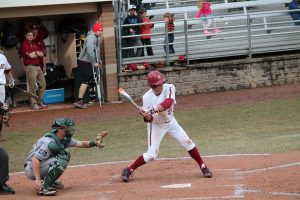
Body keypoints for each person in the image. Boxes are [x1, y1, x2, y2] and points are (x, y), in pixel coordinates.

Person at [120, 70, 213, 182]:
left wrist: (151, 108)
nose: (160, 85)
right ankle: (129, 170)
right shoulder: (147, 98)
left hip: (171, 122)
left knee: (187, 141)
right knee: (151, 155)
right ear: (152, 86)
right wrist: (145, 115)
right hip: (156, 126)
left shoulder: (169, 87)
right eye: (157, 84)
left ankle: (203, 166)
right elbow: (149, 119)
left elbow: (168, 102)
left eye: (161, 82)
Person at [24, 118, 108, 196]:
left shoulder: (63, 138)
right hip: (32, 168)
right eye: (67, 128)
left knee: (63, 155)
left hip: (42, 165)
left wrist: (95, 144)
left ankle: (49, 181)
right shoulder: (49, 142)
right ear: (59, 129)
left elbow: (81, 143)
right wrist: (38, 179)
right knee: (62, 157)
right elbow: (35, 159)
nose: (69, 129)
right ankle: (44, 188)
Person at [74, 22, 103, 109]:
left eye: (102, 30)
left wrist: (99, 59)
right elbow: (90, 51)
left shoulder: (96, 37)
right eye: (100, 30)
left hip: (87, 61)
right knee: (86, 80)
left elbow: (96, 50)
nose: (101, 32)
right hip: (85, 62)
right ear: (95, 30)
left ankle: (92, 98)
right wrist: (94, 62)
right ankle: (79, 100)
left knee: (91, 79)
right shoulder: (91, 38)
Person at [19, 29, 47, 110]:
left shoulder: (35, 43)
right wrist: (37, 53)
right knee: (32, 86)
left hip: (38, 66)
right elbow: (31, 56)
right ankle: (33, 103)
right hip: (30, 66)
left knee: (43, 84)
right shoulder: (24, 44)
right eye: (29, 35)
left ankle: (39, 101)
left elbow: (43, 53)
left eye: (31, 35)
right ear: (25, 36)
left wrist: (36, 53)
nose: (30, 36)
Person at [0, 50, 15, 141]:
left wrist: (11, 80)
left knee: (1, 111)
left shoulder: (2, 57)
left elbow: (7, 70)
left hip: (1, 87)